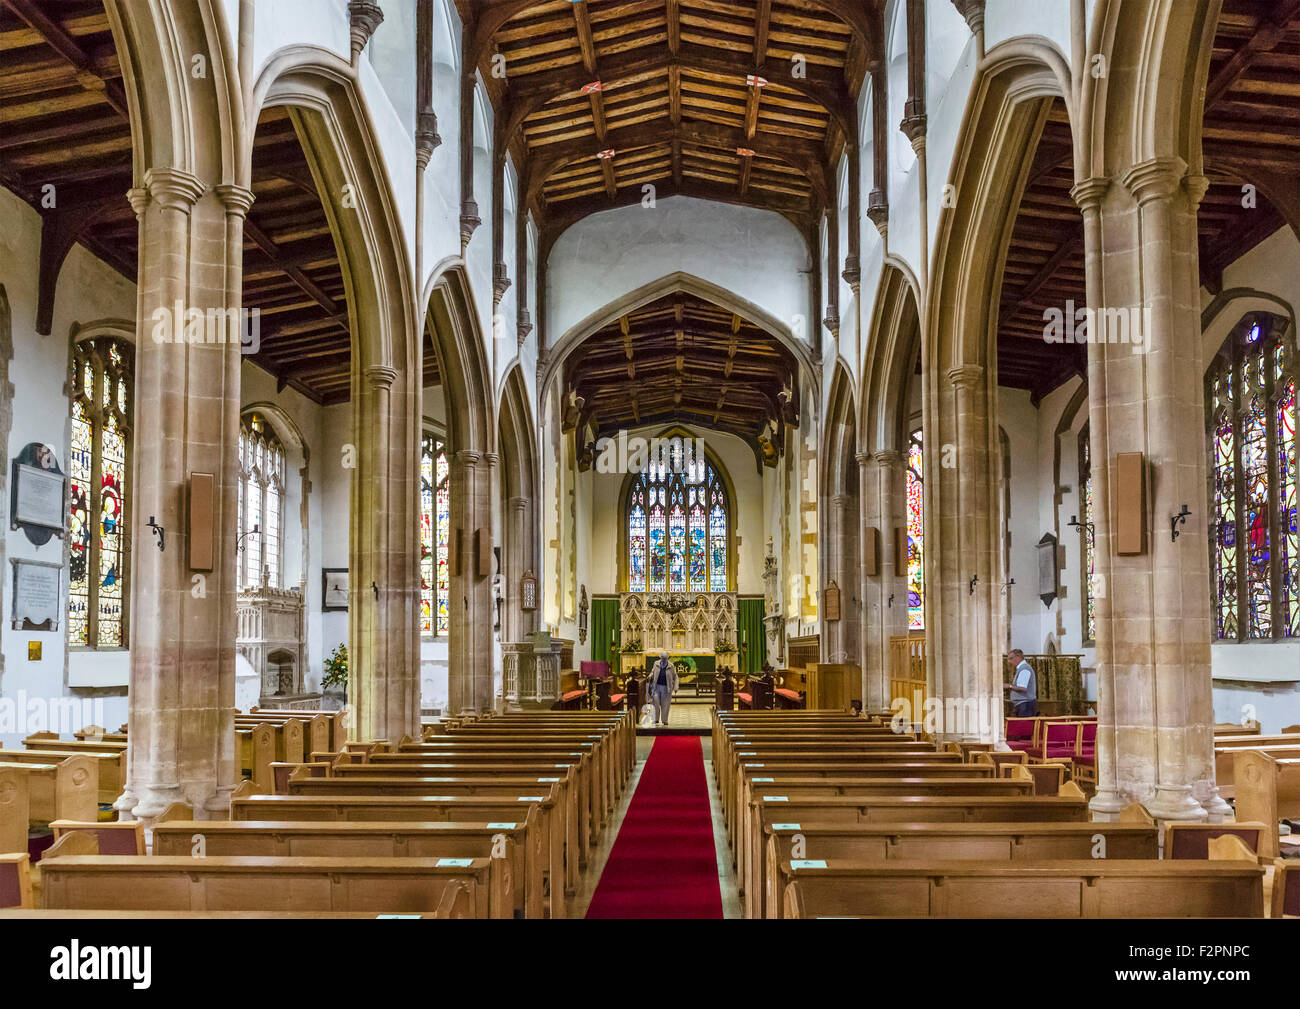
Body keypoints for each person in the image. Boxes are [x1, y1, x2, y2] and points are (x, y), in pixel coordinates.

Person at [649, 651, 678, 726]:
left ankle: (665, 720)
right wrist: (650, 675)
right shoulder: (656, 664)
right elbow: (653, 671)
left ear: (667, 658)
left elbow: (675, 676)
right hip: (656, 687)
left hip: (666, 687)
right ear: (660, 658)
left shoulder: (671, 666)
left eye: (665, 658)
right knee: (655, 702)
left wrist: (675, 686)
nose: (664, 660)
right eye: (663, 658)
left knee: (665, 704)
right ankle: (655, 719)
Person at [1005, 649, 1038, 716]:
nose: (1009, 661)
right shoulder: (1021, 669)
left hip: (1026, 705)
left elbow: (1022, 688)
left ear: (1018, 656)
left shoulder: (1025, 669)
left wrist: (1009, 686)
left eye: (1011, 658)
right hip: (1023, 705)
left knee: (1024, 726)